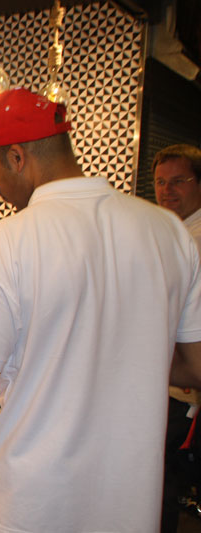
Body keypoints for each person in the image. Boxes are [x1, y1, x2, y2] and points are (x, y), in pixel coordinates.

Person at [0, 87, 201, 533]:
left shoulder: (12, 238)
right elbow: (192, 366)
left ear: (17, 158)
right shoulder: (169, 232)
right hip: (129, 508)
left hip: (30, 507)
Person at [153, 143, 201, 531]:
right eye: (161, 182)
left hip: (182, 390)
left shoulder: (193, 240)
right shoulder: (174, 234)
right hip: (169, 384)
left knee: (163, 486)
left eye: (179, 181)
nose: (168, 191)